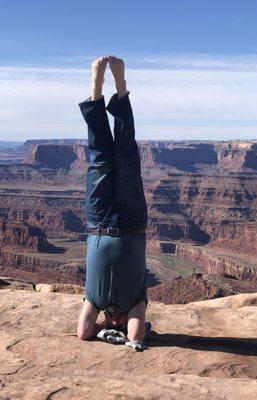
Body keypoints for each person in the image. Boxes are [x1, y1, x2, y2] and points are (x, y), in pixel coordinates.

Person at [77, 55, 148, 349]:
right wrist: (108, 326)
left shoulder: (132, 302)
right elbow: (86, 331)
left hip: (124, 225)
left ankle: (113, 88)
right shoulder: (96, 300)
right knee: (102, 159)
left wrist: (114, 325)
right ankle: (102, 90)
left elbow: (134, 335)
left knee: (124, 158)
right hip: (103, 223)